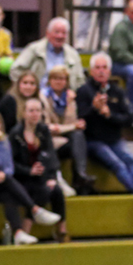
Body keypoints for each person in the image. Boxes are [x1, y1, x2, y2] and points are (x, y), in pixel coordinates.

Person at [77, 52, 133, 205]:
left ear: (109, 71)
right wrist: (94, 109)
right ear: (91, 71)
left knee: (130, 159)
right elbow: (79, 119)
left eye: (104, 67)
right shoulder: (83, 91)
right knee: (117, 163)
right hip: (93, 141)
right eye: (97, 68)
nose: (101, 71)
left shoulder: (117, 91)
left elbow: (129, 119)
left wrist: (109, 115)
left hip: (114, 139)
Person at [0, 108, 62, 245]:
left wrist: (4, 173)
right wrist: (2, 142)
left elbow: (9, 168)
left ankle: (18, 233)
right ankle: (34, 209)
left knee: (7, 193)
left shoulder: (3, 140)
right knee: (6, 181)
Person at [10, 97, 69, 241]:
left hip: (40, 175)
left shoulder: (43, 130)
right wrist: (29, 171)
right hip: (22, 177)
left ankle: (62, 229)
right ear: (24, 113)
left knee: (56, 190)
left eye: (37, 110)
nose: (35, 114)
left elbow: (50, 156)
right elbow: (11, 163)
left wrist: (51, 178)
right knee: (42, 190)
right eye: (31, 111)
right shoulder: (15, 134)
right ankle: (26, 228)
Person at [42, 66, 95, 195]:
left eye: (62, 79)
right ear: (50, 80)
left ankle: (80, 175)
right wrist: (72, 126)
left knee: (78, 135)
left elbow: (71, 122)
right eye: (55, 78)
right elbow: (48, 127)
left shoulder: (70, 97)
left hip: (65, 138)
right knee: (76, 135)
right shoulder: (42, 97)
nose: (58, 82)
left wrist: (70, 106)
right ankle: (78, 177)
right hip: (49, 140)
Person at [10, 18, 85, 94]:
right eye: (56, 32)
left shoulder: (73, 54)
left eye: (64, 33)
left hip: (65, 98)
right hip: (35, 96)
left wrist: (73, 93)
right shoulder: (34, 49)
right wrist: (27, 90)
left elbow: (80, 81)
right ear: (47, 33)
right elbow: (15, 70)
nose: (60, 36)